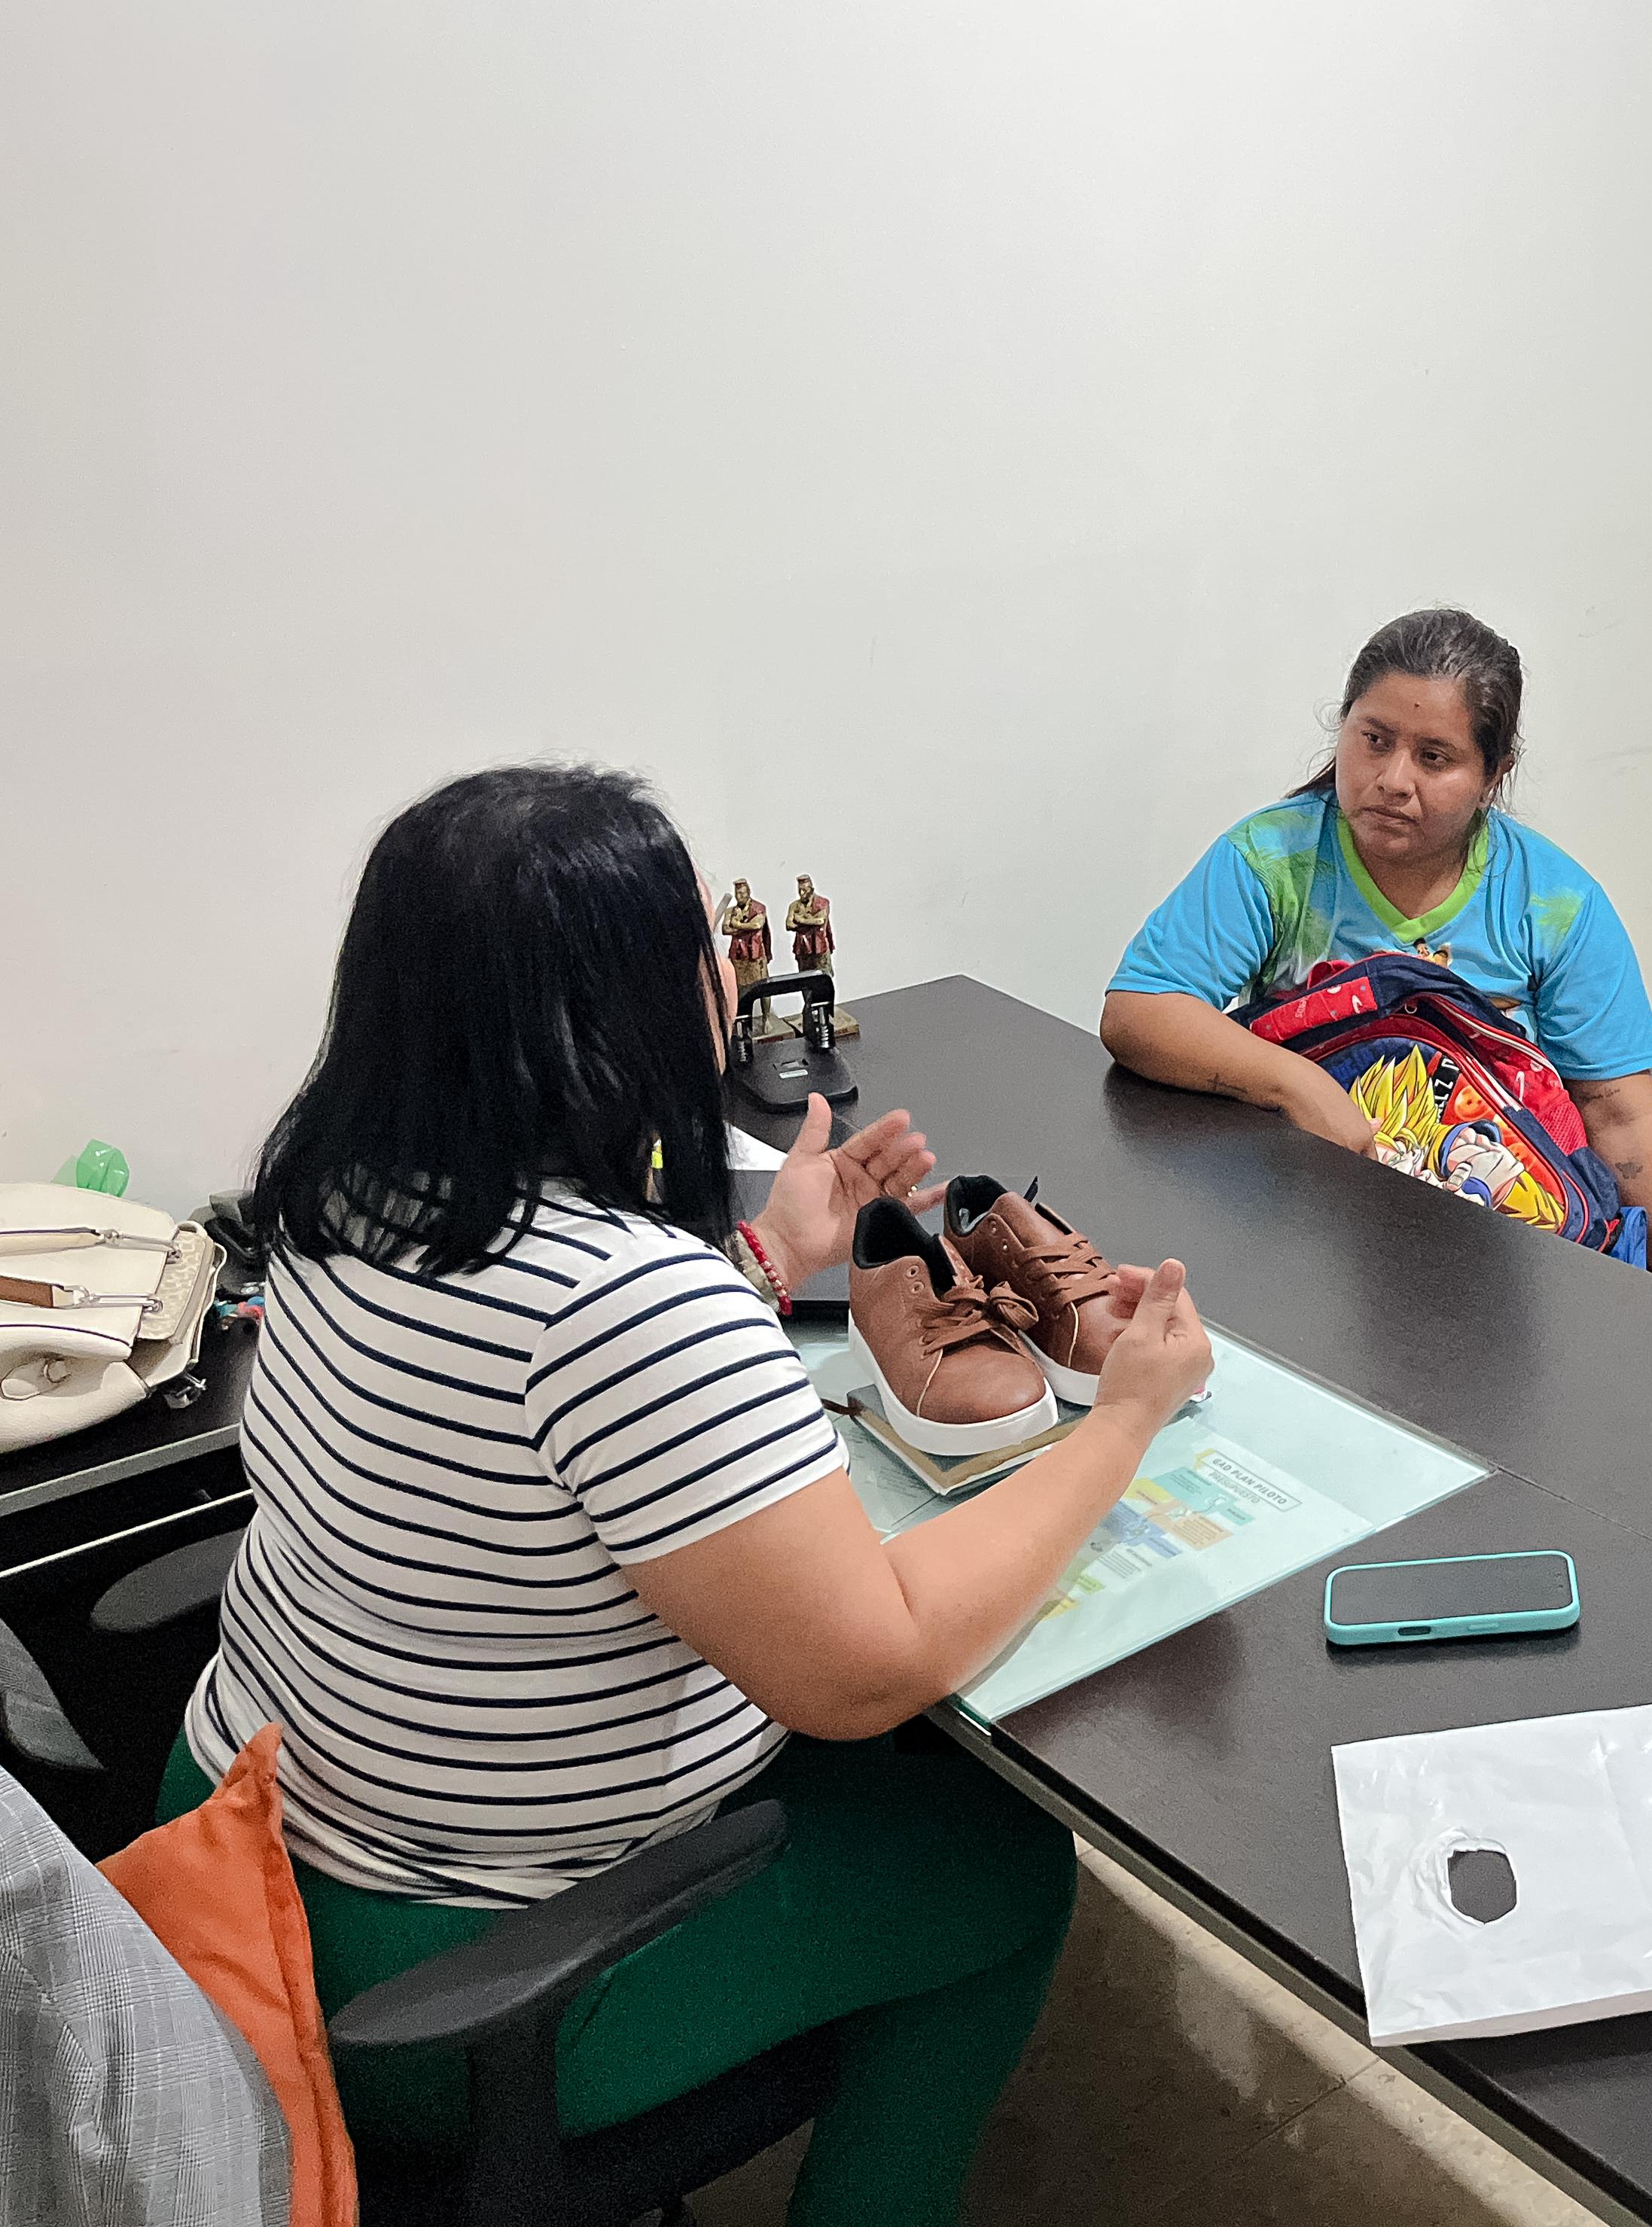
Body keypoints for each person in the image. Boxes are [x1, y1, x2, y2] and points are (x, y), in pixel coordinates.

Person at [173, 763, 1215, 2225]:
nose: (724, 986)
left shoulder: (343, 1196)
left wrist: (770, 1256)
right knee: (1002, 1870)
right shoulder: (629, 1305)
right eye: (693, 953)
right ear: (615, 1017)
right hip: (443, 1988)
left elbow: (539, 1401)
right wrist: (1125, 1422)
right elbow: (868, 1664)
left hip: (243, 1843)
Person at [1102, 607, 1652, 1292]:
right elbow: (1139, 1011)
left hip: (1502, 1255)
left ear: (1493, 775)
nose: (1393, 779)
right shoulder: (1273, 860)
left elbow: (1619, 1112)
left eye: (1434, 758)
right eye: (1374, 740)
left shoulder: (1555, 904)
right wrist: (1298, 1084)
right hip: (1307, 1224)